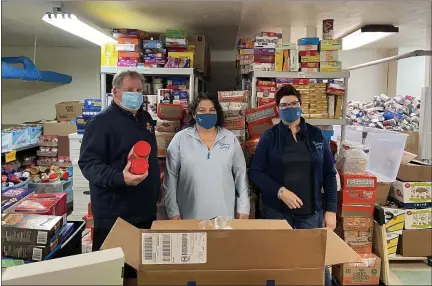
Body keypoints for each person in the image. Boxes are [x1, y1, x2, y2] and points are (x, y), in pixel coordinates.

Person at [78, 70, 160, 286]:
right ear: (115, 92)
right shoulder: (100, 123)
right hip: (115, 214)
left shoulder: (145, 118)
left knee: (139, 273)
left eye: (139, 90)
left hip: (144, 210)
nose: (136, 94)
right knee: (112, 275)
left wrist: (156, 190)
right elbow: (88, 164)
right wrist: (119, 178)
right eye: (129, 90)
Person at [249, 85, 336, 286]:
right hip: (278, 212)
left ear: (301, 105)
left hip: (311, 213)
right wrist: (280, 191)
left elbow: (329, 174)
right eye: (285, 105)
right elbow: (256, 172)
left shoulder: (316, 135)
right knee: (280, 262)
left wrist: (331, 209)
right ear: (278, 109)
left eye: (294, 104)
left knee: (313, 263)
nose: (290, 108)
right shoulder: (270, 137)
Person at [163, 93, 250, 220]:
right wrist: (172, 211)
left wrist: (244, 208)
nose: (207, 114)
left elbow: (241, 175)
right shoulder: (180, 139)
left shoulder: (229, 138)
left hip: (224, 215)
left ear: (217, 113)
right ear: (194, 114)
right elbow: (170, 178)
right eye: (202, 111)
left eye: (212, 110)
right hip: (189, 214)